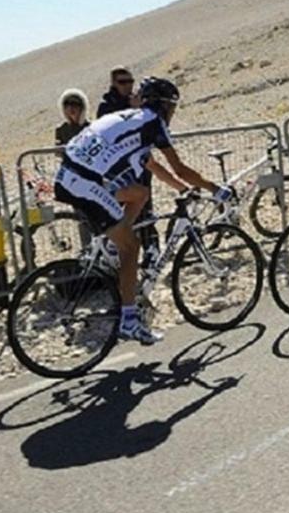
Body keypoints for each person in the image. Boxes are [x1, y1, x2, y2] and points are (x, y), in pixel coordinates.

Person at [55, 77, 222, 344]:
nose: (172, 114)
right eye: (173, 108)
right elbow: (178, 167)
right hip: (83, 182)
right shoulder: (153, 122)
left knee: (140, 193)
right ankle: (130, 320)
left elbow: (152, 165)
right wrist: (216, 189)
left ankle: (111, 246)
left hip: (72, 177)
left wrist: (181, 189)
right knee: (131, 247)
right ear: (164, 106)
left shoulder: (133, 120)